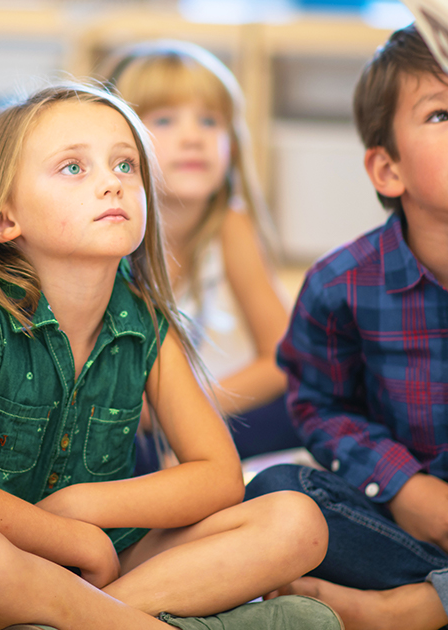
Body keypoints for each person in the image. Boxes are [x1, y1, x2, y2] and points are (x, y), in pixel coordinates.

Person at [0, 83, 337, 630]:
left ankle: (77, 619)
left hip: (110, 562)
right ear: (5, 219)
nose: (112, 184)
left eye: (126, 165)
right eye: (74, 168)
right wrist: (68, 538)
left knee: (297, 521)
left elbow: (217, 476)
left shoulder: (144, 320)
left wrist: (82, 509)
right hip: (5, 552)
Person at [242, 25, 448, 630]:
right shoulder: (339, 284)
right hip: (401, 532)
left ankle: (423, 610)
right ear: (387, 169)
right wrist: (402, 485)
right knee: (280, 490)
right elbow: (317, 405)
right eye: (442, 114)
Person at [99, 40, 299, 459]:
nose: (193, 137)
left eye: (209, 121)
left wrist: (197, 409)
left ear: (233, 143)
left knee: (316, 402)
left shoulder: (230, 225)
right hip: (134, 422)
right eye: (166, 120)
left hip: (221, 406)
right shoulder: (104, 234)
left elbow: (282, 356)